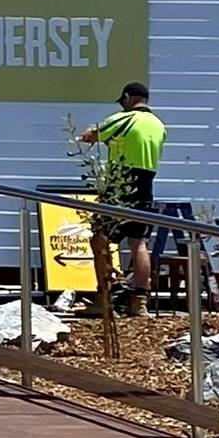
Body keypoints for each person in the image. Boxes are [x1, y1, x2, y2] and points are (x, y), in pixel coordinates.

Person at [73, 83, 168, 311]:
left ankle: (105, 299)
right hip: (146, 185)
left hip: (121, 184)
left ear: (127, 97)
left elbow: (92, 136)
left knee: (100, 239)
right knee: (138, 242)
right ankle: (139, 301)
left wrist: (85, 135)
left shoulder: (124, 119)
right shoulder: (159, 125)